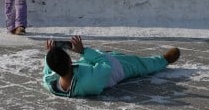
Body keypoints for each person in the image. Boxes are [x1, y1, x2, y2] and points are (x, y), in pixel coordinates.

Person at [42, 35, 180, 97]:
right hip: (115, 68)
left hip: (92, 62)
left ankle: (104, 53)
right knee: (140, 64)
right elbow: (106, 64)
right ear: (68, 62)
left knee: (109, 54)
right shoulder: (89, 84)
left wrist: (51, 53)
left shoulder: (51, 82)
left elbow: (48, 71)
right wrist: (83, 51)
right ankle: (164, 60)